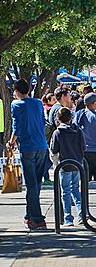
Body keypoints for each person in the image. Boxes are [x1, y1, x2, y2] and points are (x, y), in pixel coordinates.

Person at [8, 79, 50, 230]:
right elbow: (43, 122)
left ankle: (36, 218)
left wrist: (11, 142)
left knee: (31, 184)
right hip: (41, 145)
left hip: (28, 146)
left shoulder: (16, 105)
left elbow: (16, 126)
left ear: (18, 91)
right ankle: (30, 215)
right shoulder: (38, 103)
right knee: (36, 183)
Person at [49, 107, 86, 226]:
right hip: (77, 164)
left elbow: (54, 150)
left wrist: (55, 163)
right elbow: (83, 147)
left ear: (58, 119)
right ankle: (82, 213)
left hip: (64, 165)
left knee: (65, 191)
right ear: (71, 118)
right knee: (75, 189)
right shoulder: (78, 130)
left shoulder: (58, 133)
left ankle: (68, 218)